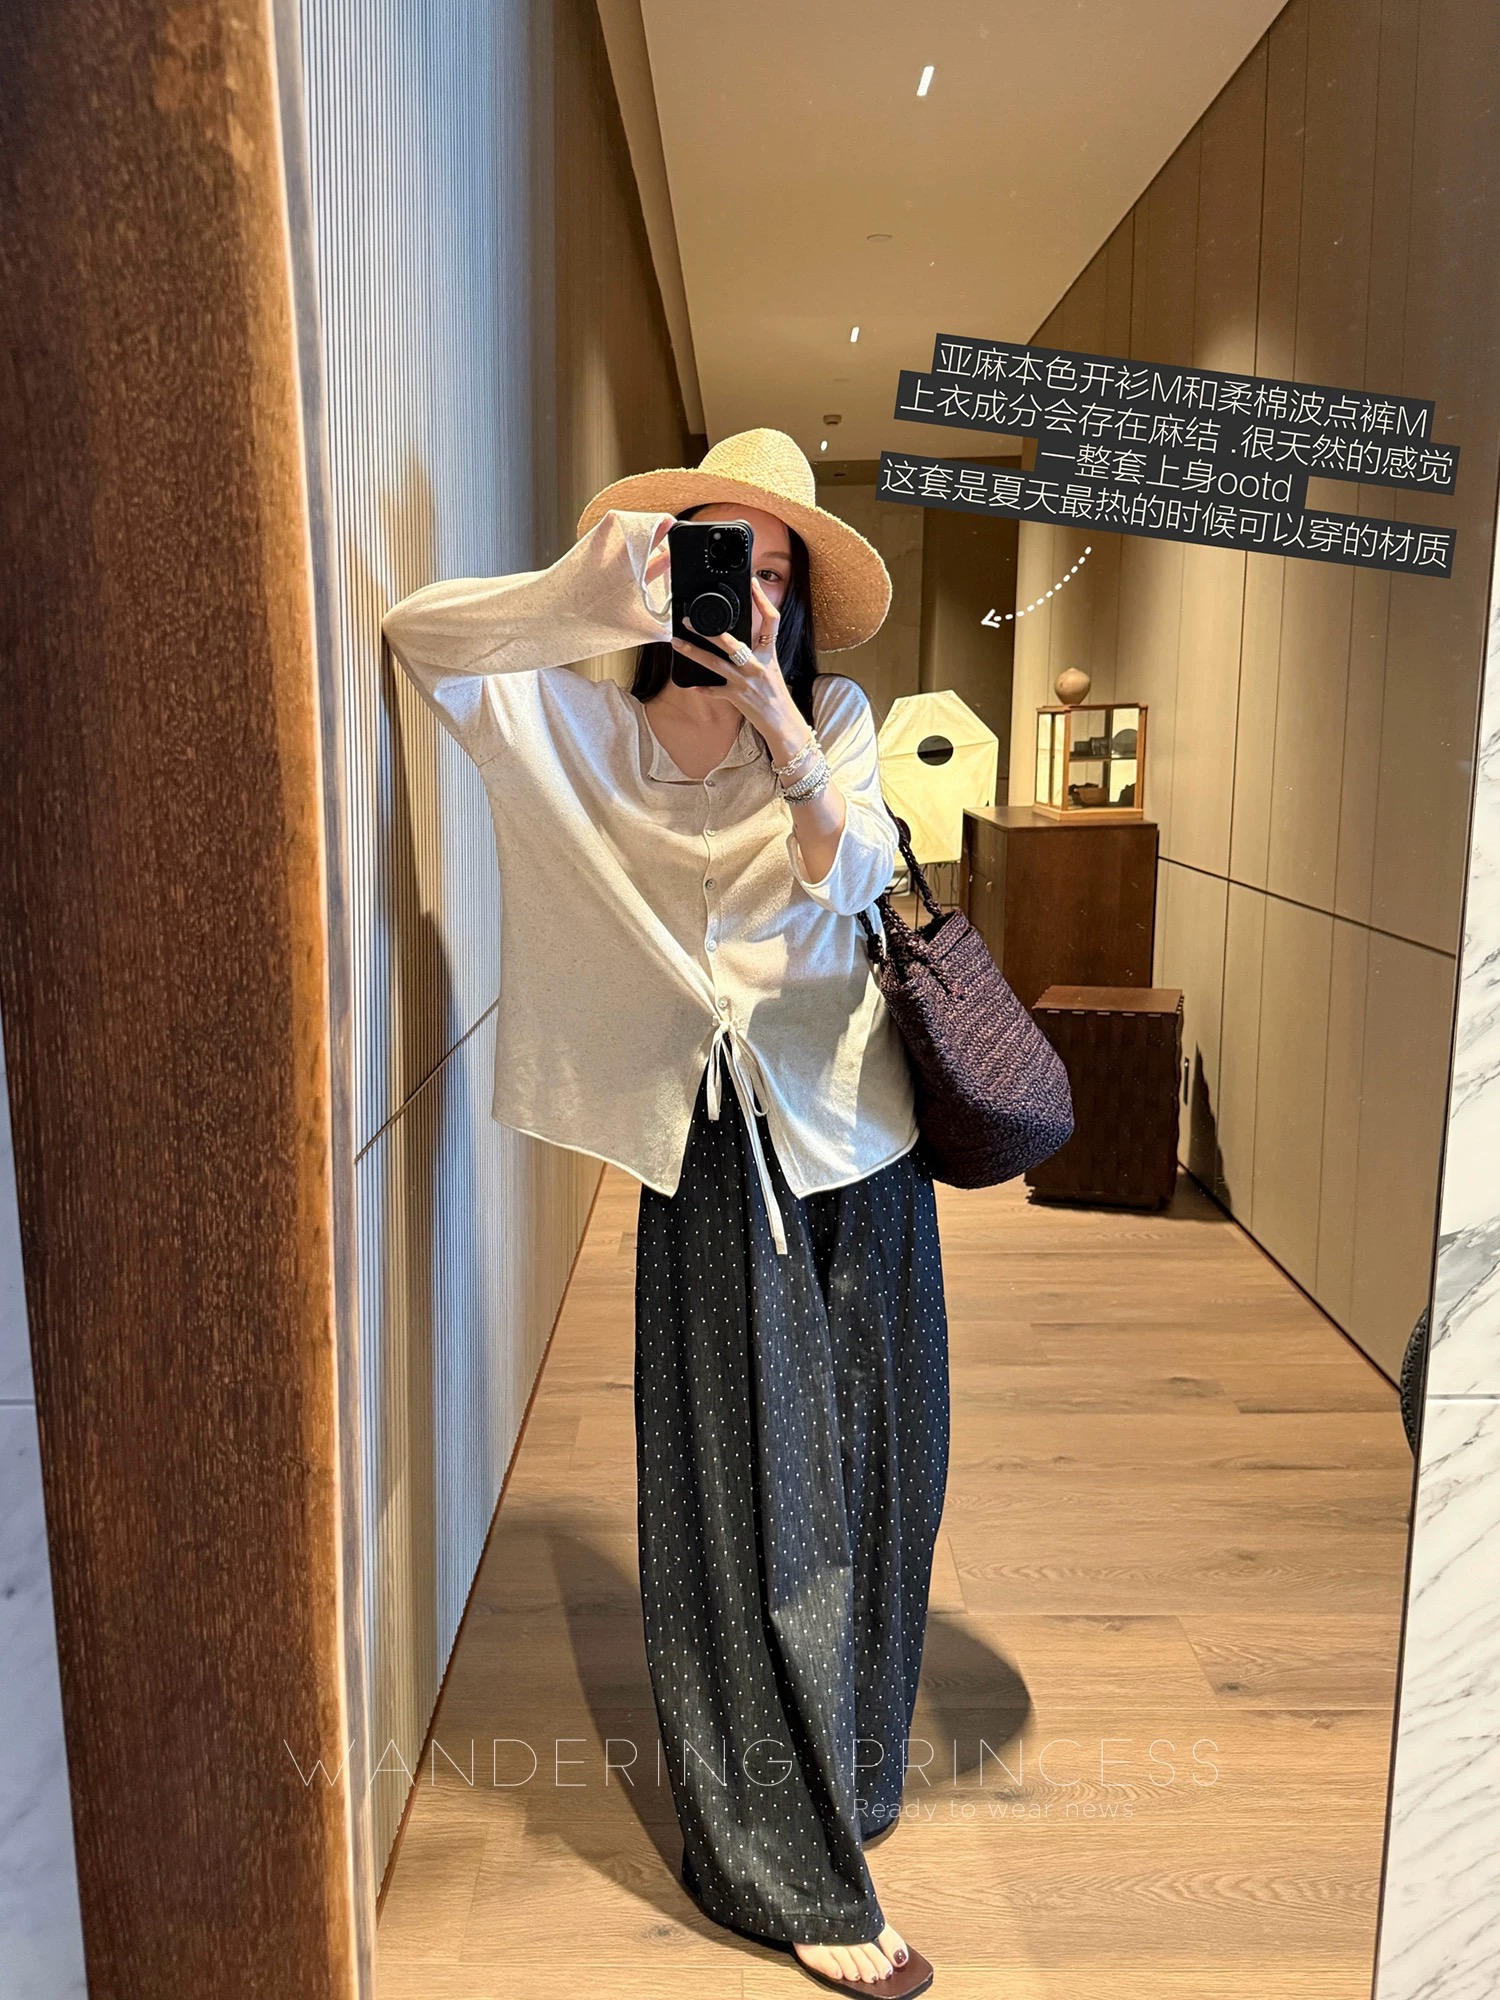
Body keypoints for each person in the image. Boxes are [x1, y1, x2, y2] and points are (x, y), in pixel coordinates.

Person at [381, 428, 949, 1997]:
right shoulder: (565, 722)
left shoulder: (836, 720)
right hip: (706, 1165)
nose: (739, 593)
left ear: (799, 600)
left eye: (768, 572)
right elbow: (422, 639)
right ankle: (780, 1860)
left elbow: (856, 879)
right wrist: (587, 597)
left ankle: (851, 1771)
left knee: (880, 1478)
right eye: (709, 558)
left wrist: (783, 728)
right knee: (737, 1515)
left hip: (860, 1148)